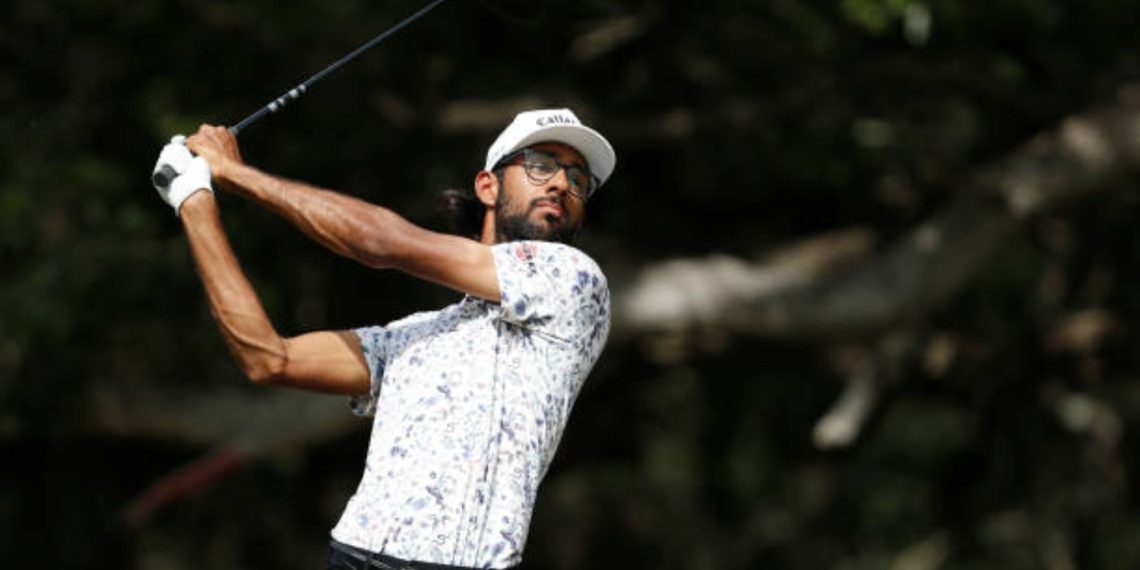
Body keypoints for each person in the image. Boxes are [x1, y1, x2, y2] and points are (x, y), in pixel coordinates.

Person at [150, 108, 615, 569]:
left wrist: (234, 173)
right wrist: (195, 200)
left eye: (578, 179)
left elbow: (383, 243)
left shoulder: (575, 281)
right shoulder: (414, 337)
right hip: (352, 555)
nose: (561, 183)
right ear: (487, 186)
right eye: (541, 165)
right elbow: (269, 358)